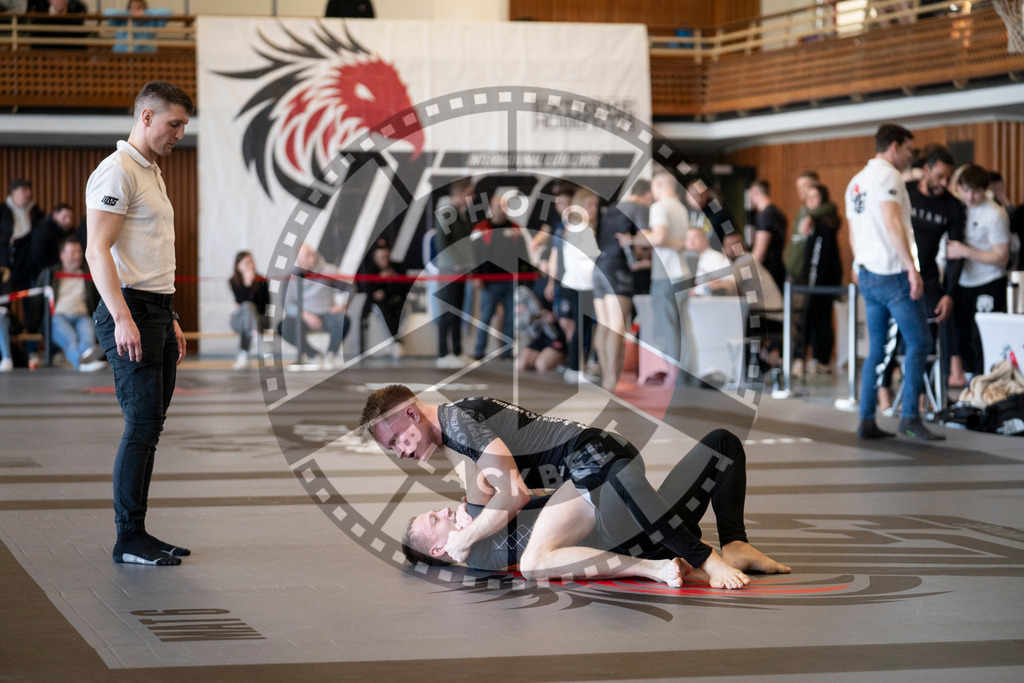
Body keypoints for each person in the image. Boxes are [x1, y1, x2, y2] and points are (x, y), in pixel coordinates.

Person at [360, 385, 789, 588]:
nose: (398, 452)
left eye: (396, 439)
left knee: (537, 557)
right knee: (722, 445)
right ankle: (733, 541)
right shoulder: (455, 429)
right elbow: (482, 492)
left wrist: (465, 532)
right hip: (606, 483)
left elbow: (513, 494)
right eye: (391, 448)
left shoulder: (457, 424)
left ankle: (706, 559)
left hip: (594, 463)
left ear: (412, 416)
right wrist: (469, 519)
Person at [405, 429, 790, 585]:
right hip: (626, 533)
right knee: (617, 472)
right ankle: (702, 558)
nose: (442, 512)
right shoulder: (474, 547)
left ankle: (735, 542)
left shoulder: (481, 520)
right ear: (440, 549)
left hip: (640, 514)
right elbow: (468, 445)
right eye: (435, 520)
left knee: (721, 444)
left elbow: (521, 491)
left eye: (436, 511)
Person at [85, 80, 194, 566]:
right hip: (128, 312)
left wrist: (169, 317)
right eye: (174, 124)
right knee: (141, 425)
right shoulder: (117, 172)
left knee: (151, 427)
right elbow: (96, 249)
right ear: (146, 117)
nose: (180, 134)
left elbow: (147, 254)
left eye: (184, 126)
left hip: (155, 311)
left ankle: (139, 533)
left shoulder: (151, 172)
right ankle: (128, 537)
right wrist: (123, 318)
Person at [846, 123, 944, 441]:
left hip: (868, 274)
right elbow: (891, 222)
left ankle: (865, 419)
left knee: (878, 350)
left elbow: (855, 231)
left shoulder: (856, 182)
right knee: (920, 342)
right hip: (892, 273)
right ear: (894, 146)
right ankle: (910, 418)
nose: (910, 157)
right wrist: (912, 268)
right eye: (909, 150)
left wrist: (856, 263)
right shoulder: (889, 176)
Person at [877, 144, 965, 409]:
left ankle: (918, 398)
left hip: (927, 279)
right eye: (939, 176)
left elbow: (954, 254)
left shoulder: (953, 207)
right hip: (896, 273)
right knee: (893, 340)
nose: (944, 182)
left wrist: (949, 293)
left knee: (925, 341)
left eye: (949, 177)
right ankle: (883, 393)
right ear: (926, 169)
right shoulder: (905, 190)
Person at [948, 165, 1010, 379]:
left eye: (975, 191)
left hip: (988, 281)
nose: (970, 196)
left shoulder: (995, 214)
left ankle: (985, 383)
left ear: (984, 190)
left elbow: (1001, 256)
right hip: (963, 282)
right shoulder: (957, 207)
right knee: (962, 337)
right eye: (965, 190)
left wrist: (965, 251)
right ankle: (970, 384)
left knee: (982, 337)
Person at [634, 172, 695, 385]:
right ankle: (685, 375)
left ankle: (674, 376)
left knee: (666, 328)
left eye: (653, 187)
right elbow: (680, 242)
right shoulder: (680, 208)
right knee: (683, 328)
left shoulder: (659, 207)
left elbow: (658, 238)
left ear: (659, 184)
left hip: (664, 276)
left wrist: (635, 238)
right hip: (683, 274)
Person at [593, 181, 649, 391]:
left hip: (599, 266)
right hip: (617, 268)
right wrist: (634, 240)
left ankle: (607, 376)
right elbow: (645, 239)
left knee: (604, 325)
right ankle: (611, 379)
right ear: (647, 194)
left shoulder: (611, 209)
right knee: (617, 326)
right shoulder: (640, 207)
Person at [545, 188, 599, 383]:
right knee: (580, 328)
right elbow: (588, 259)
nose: (594, 209)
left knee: (581, 327)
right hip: (580, 284)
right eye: (590, 205)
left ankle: (578, 367)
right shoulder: (581, 228)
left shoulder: (575, 227)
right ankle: (576, 368)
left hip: (576, 283)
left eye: (595, 205)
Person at [29, 236, 106, 371]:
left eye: (79, 252)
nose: (77, 256)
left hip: (82, 316)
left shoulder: (89, 273)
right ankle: (82, 363)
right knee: (70, 338)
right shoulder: (50, 274)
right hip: (58, 316)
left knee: (87, 336)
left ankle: (83, 359)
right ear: (62, 255)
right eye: (73, 253)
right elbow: (37, 303)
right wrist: (33, 327)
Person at [471, 192, 527, 361]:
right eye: (497, 207)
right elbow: (474, 254)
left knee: (511, 317)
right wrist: (476, 275)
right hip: (489, 281)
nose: (500, 210)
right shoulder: (481, 228)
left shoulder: (515, 229)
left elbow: (523, 254)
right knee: (486, 316)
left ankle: (507, 351)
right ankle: (479, 350)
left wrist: (525, 277)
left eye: (503, 207)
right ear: (491, 209)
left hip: (511, 281)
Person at [279, 242, 350, 368]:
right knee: (283, 327)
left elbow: (350, 288)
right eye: (307, 256)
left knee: (343, 320)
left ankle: (330, 354)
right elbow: (287, 304)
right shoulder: (292, 277)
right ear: (298, 259)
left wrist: (342, 305)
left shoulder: (328, 271)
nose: (311, 258)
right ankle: (314, 354)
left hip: (327, 313)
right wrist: (305, 314)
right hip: (304, 316)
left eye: (312, 254)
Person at [799, 184, 843, 375]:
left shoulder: (824, 224)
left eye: (815, 196)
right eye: (808, 196)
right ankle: (819, 358)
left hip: (820, 283)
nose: (810, 201)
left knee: (821, 320)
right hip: (820, 282)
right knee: (819, 319)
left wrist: (811, 282)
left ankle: (822, 360)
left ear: (822, 199)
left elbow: (819, 256)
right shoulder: (817, 222)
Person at [433, 179, 474, 369]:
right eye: (469, 192)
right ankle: (443, 352)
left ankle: (456, 351)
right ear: (459, 192)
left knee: (457, 310)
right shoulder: (447, 210)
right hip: (450, 269)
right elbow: (442, 242)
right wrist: (456, 262)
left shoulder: (458, 212)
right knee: (447, 311)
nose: (471, 197)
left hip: (461, 268)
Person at [356, 237, 409, 353]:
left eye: (386, 256)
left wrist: (385, 291)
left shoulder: (398, 267)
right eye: (381, 257)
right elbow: (369, 291)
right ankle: (395, 341)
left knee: (402, 307)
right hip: (379, 305)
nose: (384, 260)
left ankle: (395, 342)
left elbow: (404, 287)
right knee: (382, 308)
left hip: (396, 301)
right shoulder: (370, 270)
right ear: (375, 256)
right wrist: (381, 280)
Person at [228, 250, 269, 370]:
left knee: (248, 316)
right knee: (247, 306)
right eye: (246, 262)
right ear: (238, 266)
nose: (250, 265)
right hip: (239, 319)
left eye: (251, 261)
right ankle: (256, 335)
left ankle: (243, 354)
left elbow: (265, 305)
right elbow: (242, 301)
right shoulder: (233, 281)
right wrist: (248, 283)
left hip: (259, 318)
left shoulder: (262, 280)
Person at [1, 178, 43, 289]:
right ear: (13, 192)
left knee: (30, 297)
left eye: (29, 190)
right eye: (24, 190)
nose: (28, 193)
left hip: (28, 261)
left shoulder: (36, 212)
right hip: (8, 260)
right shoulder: (2, 210)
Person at [513, 285, 565, 374]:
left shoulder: (561, 285)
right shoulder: (537, 283)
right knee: (520, 364)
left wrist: (555, 316)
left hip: (557, 335)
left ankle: (564, 360)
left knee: (541, 365)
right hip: (541, 335)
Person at [748, 179, 787, 291]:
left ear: (755, 193)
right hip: (778, 266)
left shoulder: (764, 215)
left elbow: (761, 249)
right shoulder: (779, 213)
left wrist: (751, 270)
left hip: (768, 270)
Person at [28, 202, 75, 283]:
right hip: (44, 275)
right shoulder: (42, 231)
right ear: (55, 216)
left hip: (64, 273)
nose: (68, 221)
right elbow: (37, 257)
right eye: (65, 217)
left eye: (70, 217)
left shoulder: (70, 232)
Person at [104, 0, 172, 54]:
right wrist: (130, 14)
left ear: (145, 9)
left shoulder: (152, 21)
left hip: (147, 59)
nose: (136, 10)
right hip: (121, 57)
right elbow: (108, 12)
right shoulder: (121, 20)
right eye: (133, 7)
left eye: (139, 7)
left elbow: (168, 12)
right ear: (128, 9)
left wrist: (144, 13)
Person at [685, 226, 734, 296]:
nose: (691, 242)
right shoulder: (682, 260)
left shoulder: (719, 258)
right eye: (687, 238)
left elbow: (730, 284)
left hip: (710, 302)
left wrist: (717, 286)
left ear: (706, 239)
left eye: (695, 237)